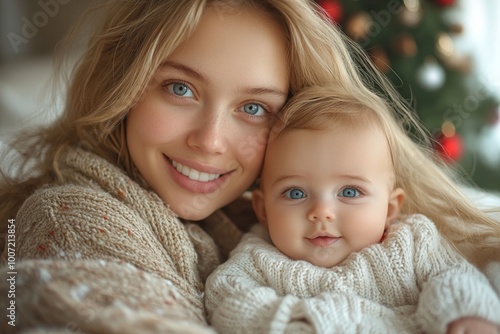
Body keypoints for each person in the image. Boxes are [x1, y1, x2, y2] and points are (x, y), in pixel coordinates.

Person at [0, 1, 398, 332]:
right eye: (180, 88)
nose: (209, 141)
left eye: (254, 108)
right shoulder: (72, 218)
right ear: (125, 84)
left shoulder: (269, 222)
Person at [205, 86, 500, 333]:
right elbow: (228, 300)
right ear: (264, 210)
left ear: (389, 208)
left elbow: (453, 276)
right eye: (295, 193)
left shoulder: (413, 242)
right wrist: (303, 323)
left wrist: (466, 315)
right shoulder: (259, 259)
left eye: (349, 192)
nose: (322, 212)